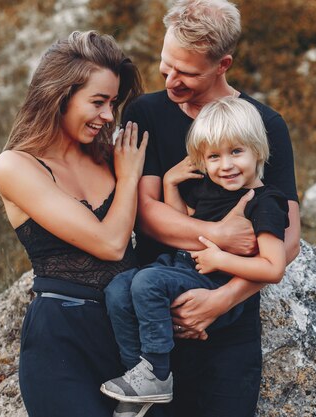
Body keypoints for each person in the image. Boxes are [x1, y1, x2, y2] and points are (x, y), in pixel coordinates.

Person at [122, 1, 301, 416]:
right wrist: (219, 236)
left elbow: (288, 238)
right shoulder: (144, 113)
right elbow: (145, 213)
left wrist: (222, 299)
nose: (171, 80)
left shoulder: (261, 123)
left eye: (187, 72)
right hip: (158, 307)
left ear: (223, 64)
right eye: (166, 66)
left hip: (232, 321)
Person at [0, 30, 147, 417]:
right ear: (60, 95)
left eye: (112, 103)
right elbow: (111, 243)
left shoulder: (111, 156)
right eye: (97, 102)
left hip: (128, 334)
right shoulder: (15, 165)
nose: (109, 116)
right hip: (61, 344)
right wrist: (128, 179)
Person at [99, 97, 289, 414]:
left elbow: (273, 267)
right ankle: (141, 379)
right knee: (117, 289)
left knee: (147, 283)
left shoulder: (265, 201)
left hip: (214, 284)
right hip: (183, 268)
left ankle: (157, 373)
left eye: (236, 152)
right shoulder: (212, 187)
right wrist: (171, 184)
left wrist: (220, 260)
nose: (225, 165)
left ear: (257, 149)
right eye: (214, 157)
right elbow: (185, 227)